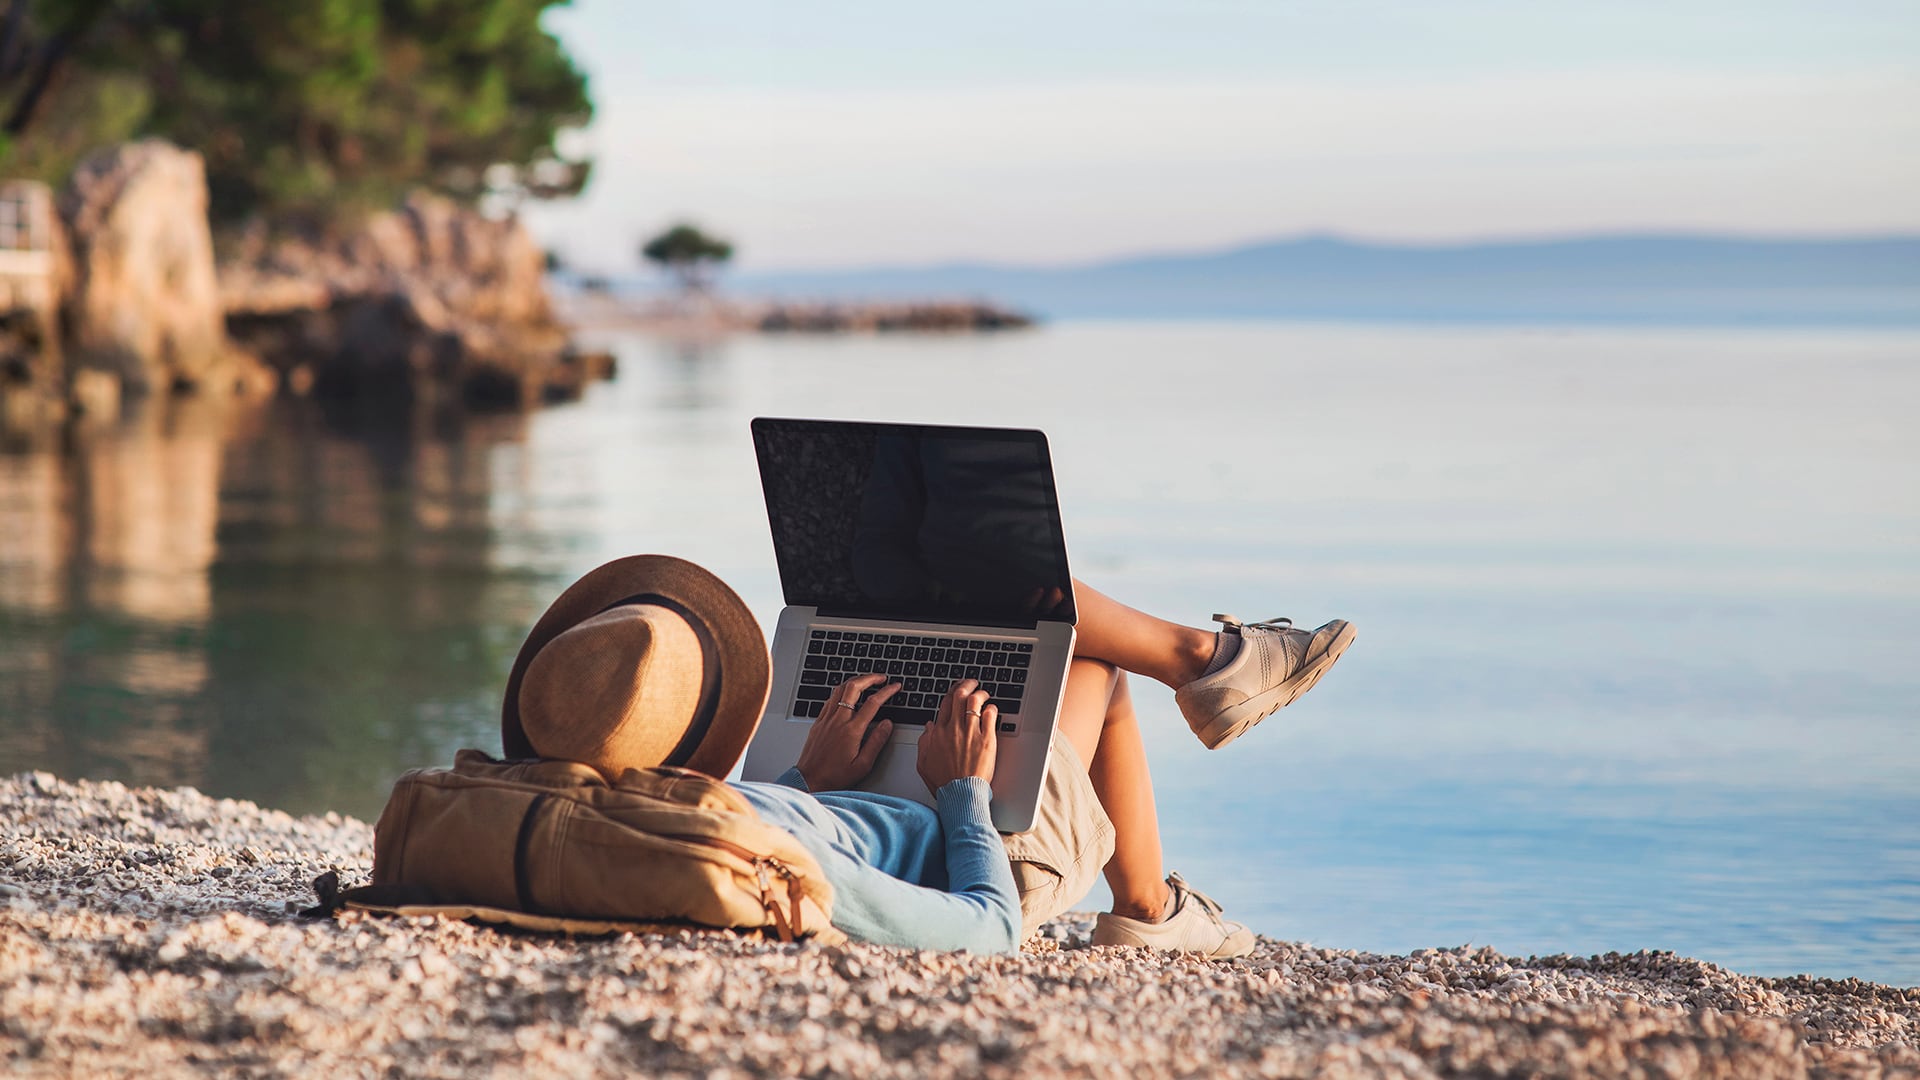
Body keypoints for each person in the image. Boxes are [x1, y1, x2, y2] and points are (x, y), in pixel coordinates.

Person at [502, 555, 1354, 957]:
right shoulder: (753, 851)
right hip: (984, 857)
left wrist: (809, 782)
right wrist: (962, 791)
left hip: (851, 796)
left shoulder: (625, 817)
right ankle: (1150, 903)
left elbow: (767, 820)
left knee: (999, 592)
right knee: (1080, 650)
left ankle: (1207, 667)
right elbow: (986, 930)